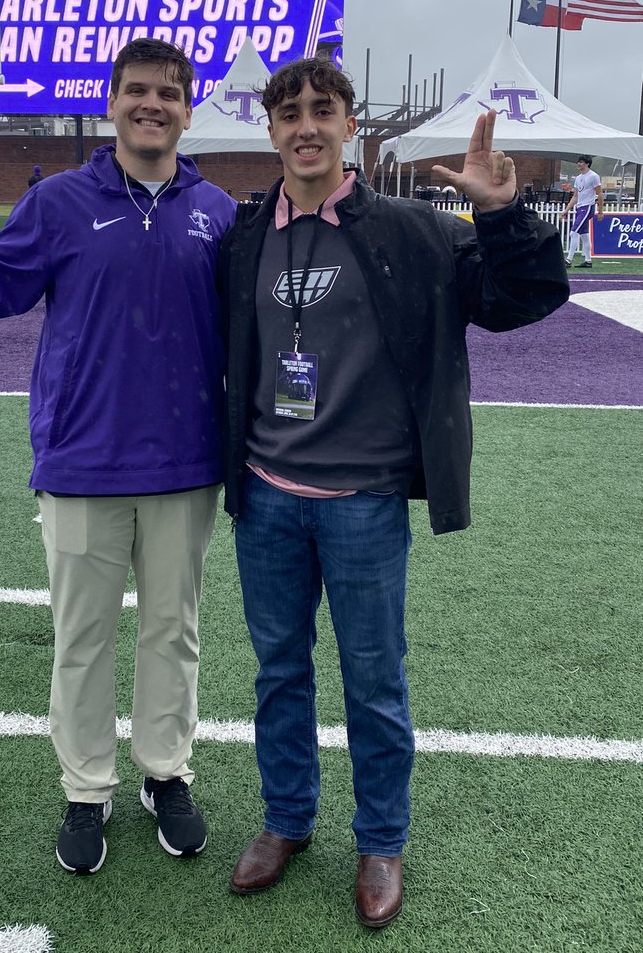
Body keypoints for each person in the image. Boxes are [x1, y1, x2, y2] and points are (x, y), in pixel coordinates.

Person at [219, 57, 569, 927]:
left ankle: (381, 840)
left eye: (324, 110)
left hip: (364, 502)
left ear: (349, 125)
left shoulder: (413, 230)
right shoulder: (244, 234)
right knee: (278, 672)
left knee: (374, 681)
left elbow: (525, 298)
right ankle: (287, 820)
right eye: (290, 112)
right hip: (264, 495)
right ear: (270, 130)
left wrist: (503, 215)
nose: (306, 125)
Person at [0, 38, 237, 876]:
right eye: (137, 91)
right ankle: (87, 787)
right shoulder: (59, 201)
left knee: (173, 632)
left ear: (189, 108)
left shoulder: (218, 211)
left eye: (168, 94)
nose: (152, 105)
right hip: (81, 458)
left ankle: (164, 772)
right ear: (111, 101)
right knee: (81, 639)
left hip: (187, 460)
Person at [559, 154, 603, 268]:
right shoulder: (578, 178)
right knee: (584, 235)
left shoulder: (593, 176)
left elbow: (600, 194)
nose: (579, 164)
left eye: (581, 162)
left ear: (587, 163)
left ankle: (568, 260)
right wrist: (566, 210)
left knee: (573, 232)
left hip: (588, 207)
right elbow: (575, 196)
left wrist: (600, 211)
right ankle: (588, 261)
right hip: (580, 207)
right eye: (578, 162)